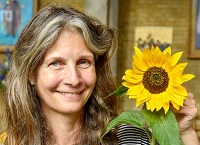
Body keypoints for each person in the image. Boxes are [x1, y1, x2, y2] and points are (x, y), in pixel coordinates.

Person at [0, 3, 199, 145]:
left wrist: (186, 132)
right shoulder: (8, 142)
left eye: (84, 62)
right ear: (31, 74)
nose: (74, 79)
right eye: (56, 63)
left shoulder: (130, 139)